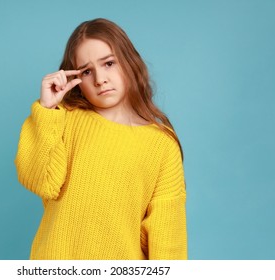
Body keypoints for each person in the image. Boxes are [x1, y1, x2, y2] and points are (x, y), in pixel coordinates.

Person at [15, 18, 187, 260]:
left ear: (129, 62)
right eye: (86, 71)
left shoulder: (161, 144)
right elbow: (40, 181)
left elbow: (168, 235)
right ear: (76, 79)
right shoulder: (65, 119)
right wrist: (47, 110)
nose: (99, 79)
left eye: (109, 63)